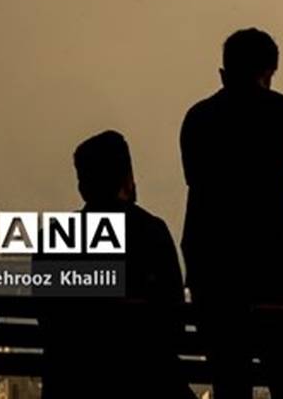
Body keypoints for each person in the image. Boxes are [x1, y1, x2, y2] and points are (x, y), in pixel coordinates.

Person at [179, 28, 283, 399]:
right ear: (270, 71)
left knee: (229, 380)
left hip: (212, 272)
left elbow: (197, 185)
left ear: (223, 72)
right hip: (269, 267)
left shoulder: (197, 119)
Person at [35, 130, 194, 399]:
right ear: (127, 178)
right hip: (147, 384)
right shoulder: (152, 233)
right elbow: (174, 326)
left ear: (83, 188)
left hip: (70, 385)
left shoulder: (52, 239)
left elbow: (49, 324)